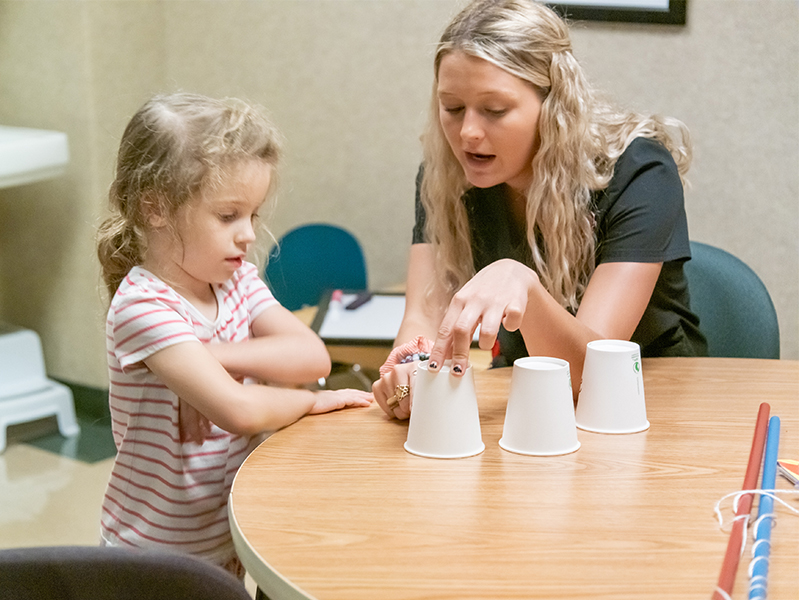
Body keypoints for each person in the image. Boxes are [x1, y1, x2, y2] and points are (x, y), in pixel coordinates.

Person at [373, 0, 707, 419]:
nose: (468, 133)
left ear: (554, 107)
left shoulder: (640, 173)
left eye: (494, 111)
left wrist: (524, 287)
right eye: (452, 108)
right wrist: (411, 371)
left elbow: (589, 379)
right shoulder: (445, 175)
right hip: (526, 397)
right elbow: (423, 314)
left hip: (652, 400)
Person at [95, 92, 372, 577]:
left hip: (223, 538)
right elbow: (240, 411)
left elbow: (312, 357)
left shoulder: (236, 279)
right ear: (156, 208)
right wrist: (307, 403)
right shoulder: (143, 305)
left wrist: (216, 356)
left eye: (253, 215)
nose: (247, 234)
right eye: (228, 216)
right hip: (150, 557)